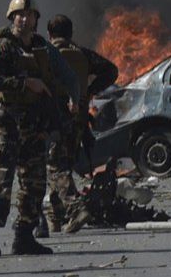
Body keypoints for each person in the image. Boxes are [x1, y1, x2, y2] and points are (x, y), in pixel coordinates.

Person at [0, 0, 77, 257]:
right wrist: (26, 83)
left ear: (36, 19)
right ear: (12, 17)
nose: (24, 19)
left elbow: (60, 78)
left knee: (34, 182)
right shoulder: (3, 46)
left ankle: (24, 235)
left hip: (34, 124)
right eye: (19, 15)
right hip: (8, 122)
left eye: (29, 14)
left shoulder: (41, 48)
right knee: (3, 178)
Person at [38, 14, 118, 235]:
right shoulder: (82, 54)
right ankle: (56, 220)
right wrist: (90, 91)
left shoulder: (44, 53)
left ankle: (75, 208)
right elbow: (111, 71)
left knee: (55, 167)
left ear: (49, 34)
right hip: (78, 119)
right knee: (62, 166)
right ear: (71, 33)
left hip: (52, 117)